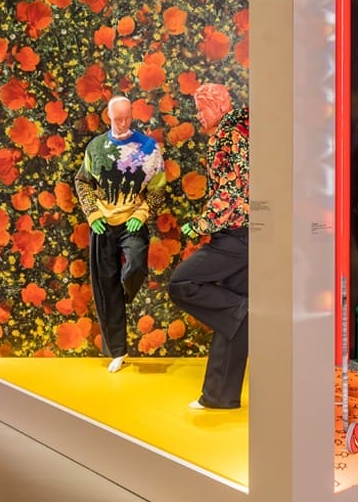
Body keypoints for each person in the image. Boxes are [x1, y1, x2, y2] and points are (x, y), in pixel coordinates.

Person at [169, 83, 250, 410]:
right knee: (233, 316)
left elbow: (234, 189)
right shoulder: (241, 131)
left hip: (236, 234)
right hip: (248, 233)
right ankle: (219, 396)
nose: (198, 115)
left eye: (201, 108)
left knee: (181, 283)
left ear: (217, 107)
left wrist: (201, 224)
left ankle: (242, 311)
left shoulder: (229, 136)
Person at [75, 95, 165, 373]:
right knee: (105, 284)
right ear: (108, 116)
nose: (123, 122)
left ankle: (125, 293)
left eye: (127, 117)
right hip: (103, 222)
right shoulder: (97, 147)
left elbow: (159, 186)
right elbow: (82, 181)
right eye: (117, 118)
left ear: (133, 114)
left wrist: (141, 214)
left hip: (132, 220)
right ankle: (117, 350)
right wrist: (92, 213)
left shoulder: (149, 147)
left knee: (136, 265)